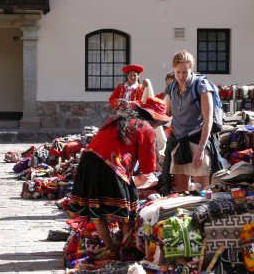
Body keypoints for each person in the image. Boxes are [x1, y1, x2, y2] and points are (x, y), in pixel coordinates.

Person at [68, 96, 171, 255]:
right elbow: (147, 167)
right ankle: (125, 246)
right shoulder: (146, 128)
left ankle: (111, 247)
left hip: (88, 161)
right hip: (110, 166)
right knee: (129, 205)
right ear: (156, 120)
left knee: (97, 207)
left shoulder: (118, 120)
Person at [163, 49, 215, 192]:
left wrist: (201, 149)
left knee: (202, 191)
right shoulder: (171, 87)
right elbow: (165, 113)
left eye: (185, 72)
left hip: (197, 142)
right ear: (173, 69)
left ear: (191, 68)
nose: (181, 76)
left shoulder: (202, 86)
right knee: (180, 192)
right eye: (178, 72)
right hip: (178, 143)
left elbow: (208, 119)